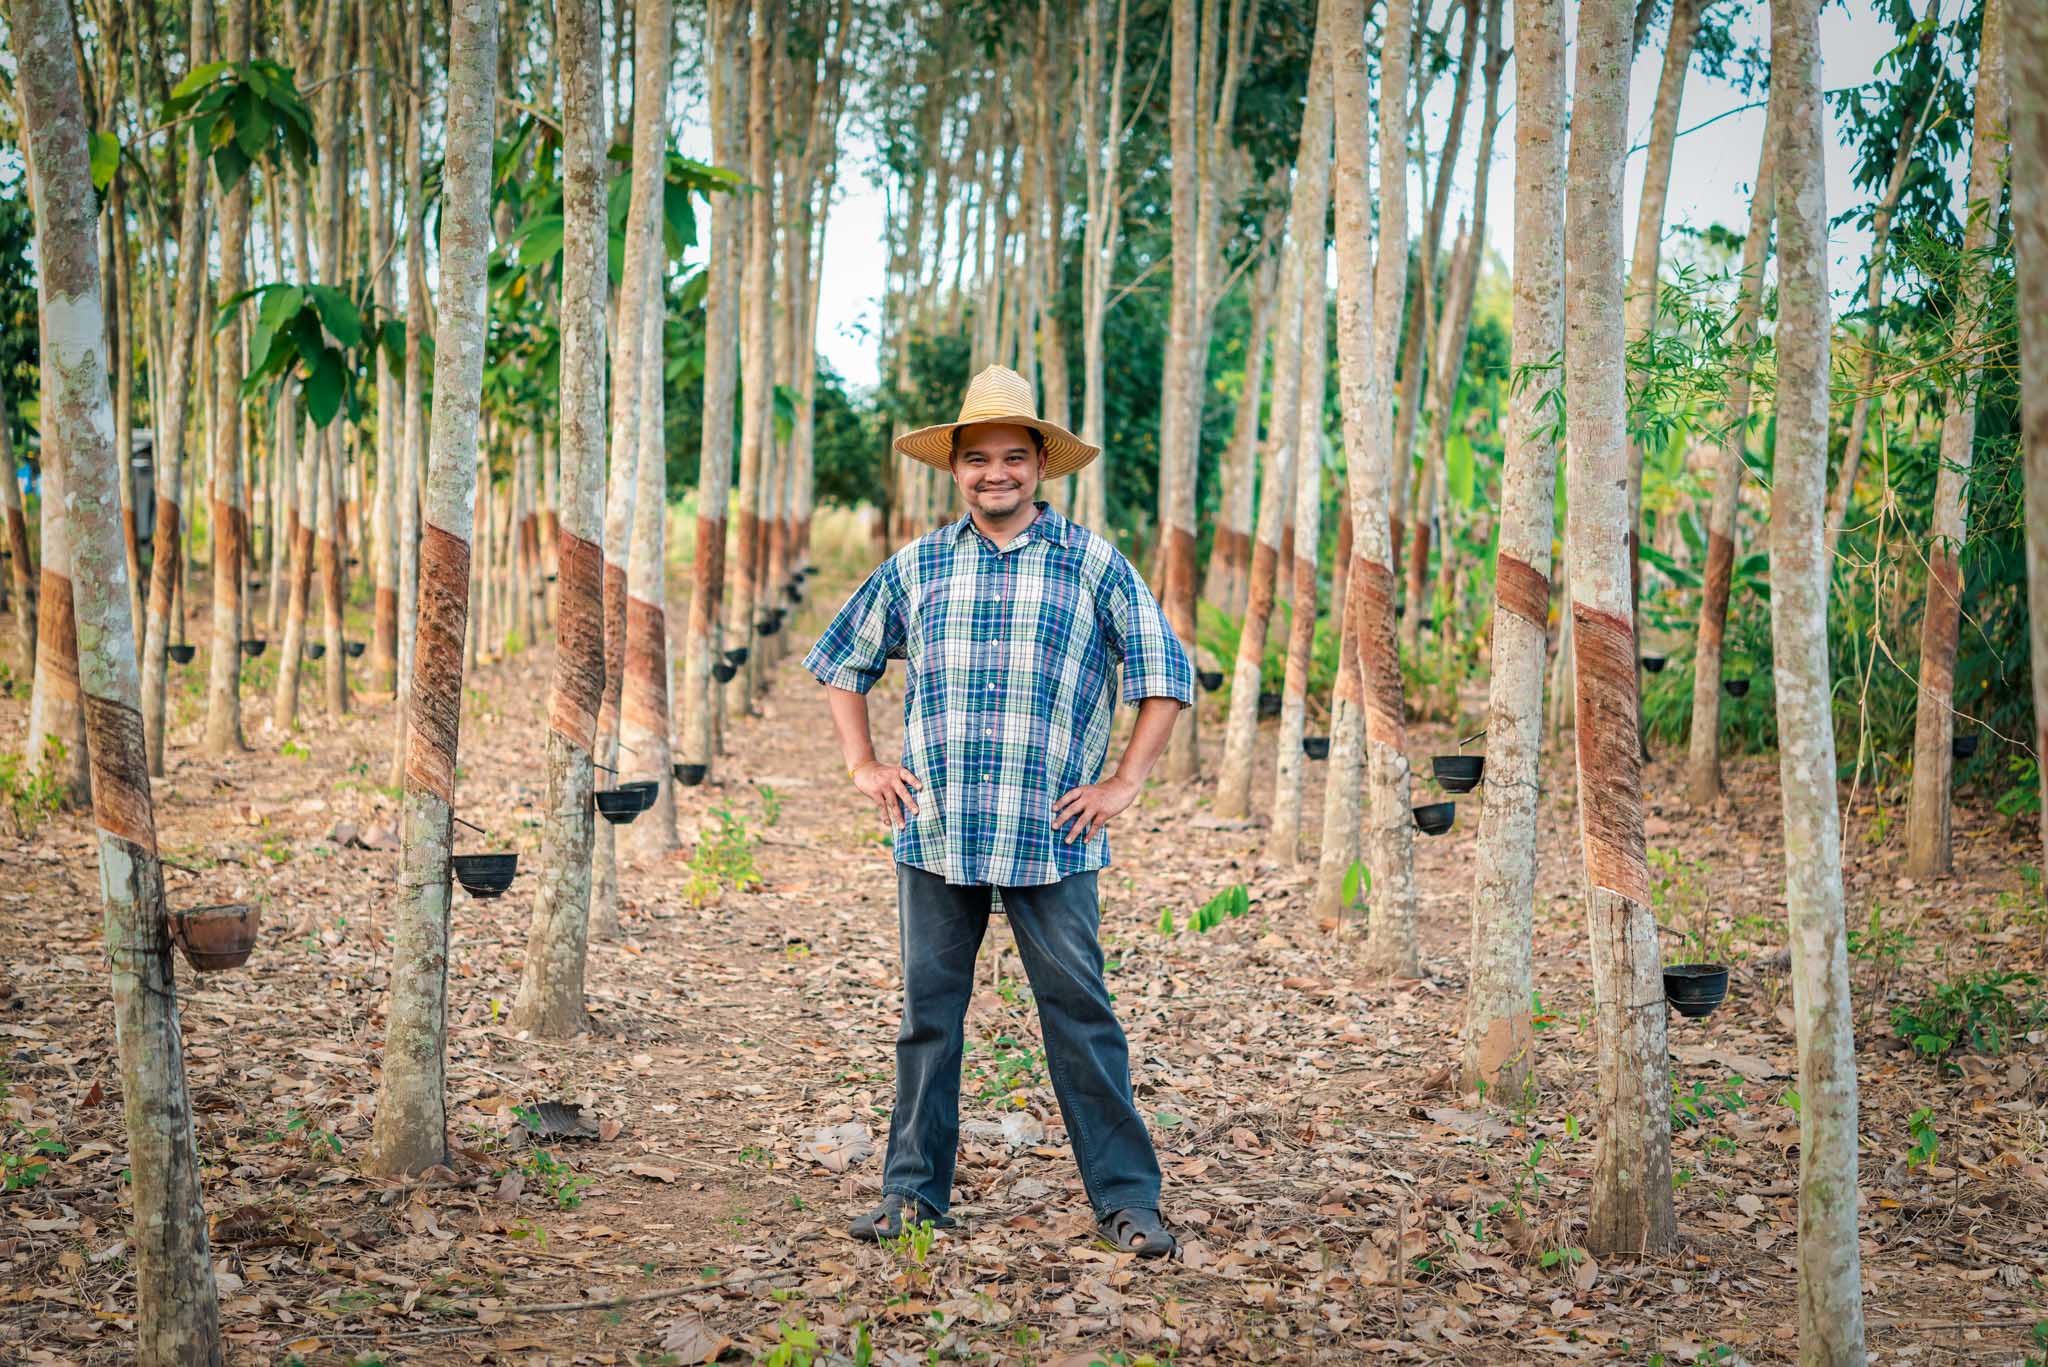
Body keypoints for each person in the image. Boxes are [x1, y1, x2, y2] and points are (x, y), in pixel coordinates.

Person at [802, 364, 1193, 1258]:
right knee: (929, 1017)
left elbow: (1164, 675)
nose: (995, 473)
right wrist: (864, 763)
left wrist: (1123, 782)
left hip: (1051, 834)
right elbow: (841, 660)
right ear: (955, 470)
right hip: (936, 830)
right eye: (976, 458)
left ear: (1041, 467)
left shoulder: (1091, 563)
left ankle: (1129, 1199)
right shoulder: (919, 565)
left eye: (1013, 457)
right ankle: (913, 1195)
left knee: (1081, 1014)